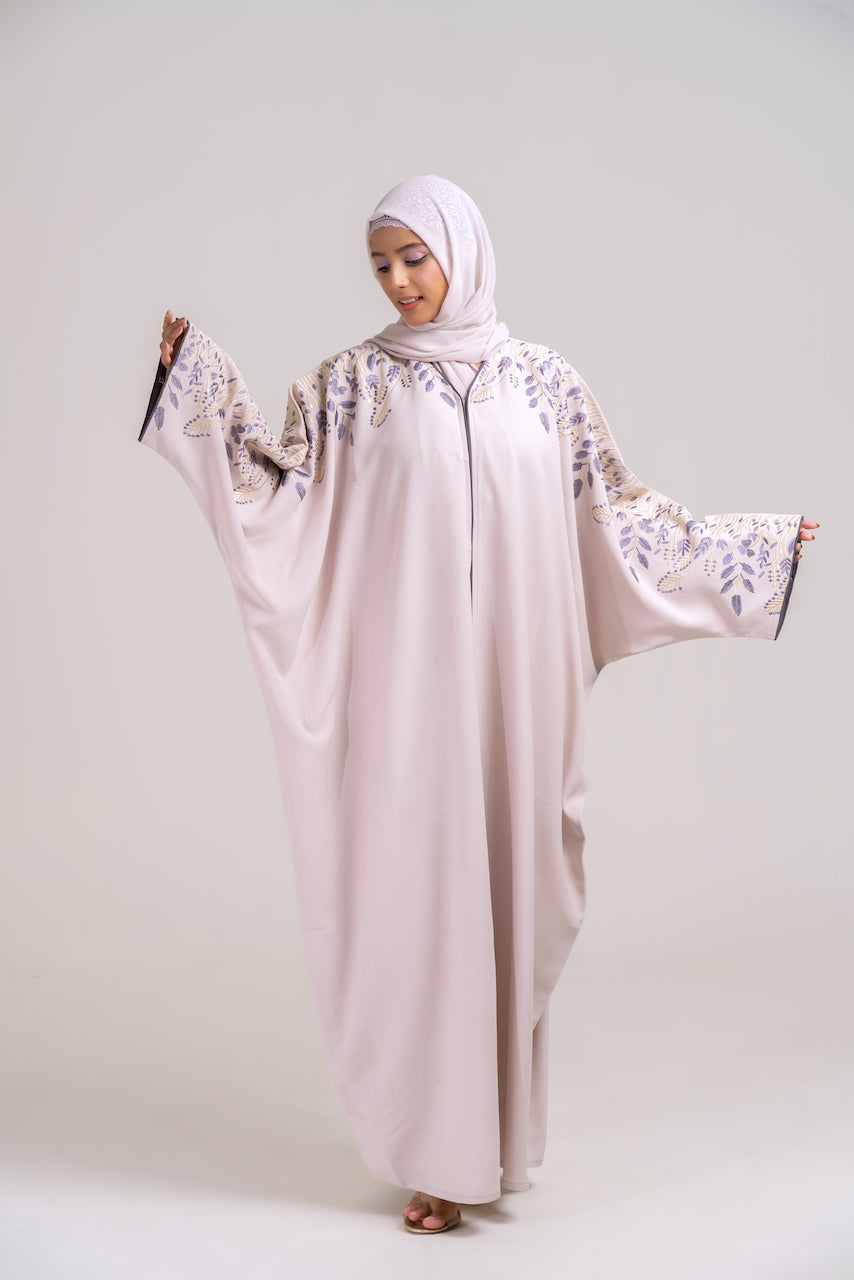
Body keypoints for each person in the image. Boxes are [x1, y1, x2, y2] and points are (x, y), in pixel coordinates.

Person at [144, 175, 818, 1235]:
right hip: (404, 705)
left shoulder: (545, 384)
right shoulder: (347, 387)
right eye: (381, 263)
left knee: (503, 896)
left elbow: (619, 517)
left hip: (514, 701)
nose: (400, 280)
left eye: (415, 256)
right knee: (420, 905)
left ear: (461, 248)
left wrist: (748, 545)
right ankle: (431, 1155)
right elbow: (274, 499)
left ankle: (488, 1144)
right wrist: (196, 385)